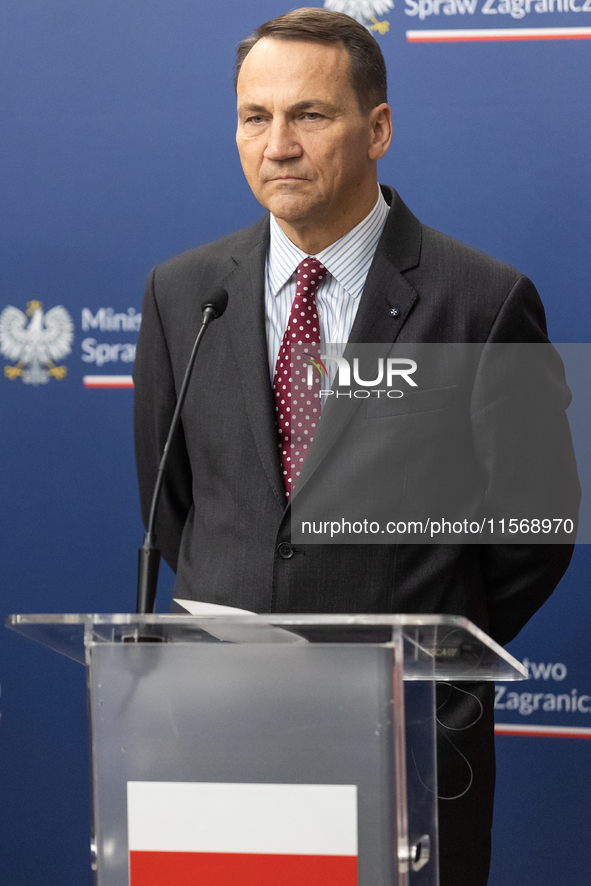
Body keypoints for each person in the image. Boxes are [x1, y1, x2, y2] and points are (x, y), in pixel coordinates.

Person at [133, 9, 578, 885]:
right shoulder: (181, 293)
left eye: (310, 115)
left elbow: (536, 526)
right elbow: (175, 497)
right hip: (216, 734)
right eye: (255, 117)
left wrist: (430, 658)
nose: (278, 145)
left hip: (404, 742)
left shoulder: (480, 300)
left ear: (376, 129)